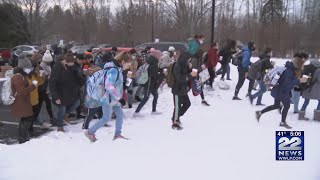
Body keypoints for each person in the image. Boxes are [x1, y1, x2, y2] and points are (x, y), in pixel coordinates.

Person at [255, 61, 308, 129]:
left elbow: (287, 81)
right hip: (282, 92)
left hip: (277, 90)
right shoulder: (289, 72)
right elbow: (286, 85)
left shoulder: (287, 69)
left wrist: (296, 81)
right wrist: (299, 81)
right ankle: (282, 122)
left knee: (276, 105)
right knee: (287, 105)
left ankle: (259, 113)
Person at [85, 55, 126, 141]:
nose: (128, 66)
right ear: (123, 61)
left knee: (119, 114)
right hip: (108, 98)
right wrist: (119, 98)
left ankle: (117, 134)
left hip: (113, 98)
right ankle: (90, 132)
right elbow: (108, 85)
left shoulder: (115, 69)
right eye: (128, 63)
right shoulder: (113, 70)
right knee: (106, 118)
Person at [49, 50, 85, 132]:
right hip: (60, 93)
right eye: (70, 62)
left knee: (77, 103)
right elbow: (52, 83)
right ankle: (60, 126)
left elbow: (73, 79)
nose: (71, 64)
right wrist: (56, 96)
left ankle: (65, 115)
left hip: (69, 92)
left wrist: (80, 77)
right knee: (61, 109)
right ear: (64, 61)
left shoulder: (70, 67)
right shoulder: (57, 68)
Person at [11, 53, 37, 143]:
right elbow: (22, 91)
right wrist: (33, 86)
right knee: (28, 118)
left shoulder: (21, 75)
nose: (29, 69)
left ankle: (23, 136)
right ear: (23, 67)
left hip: (23, 102)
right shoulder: (18, 77)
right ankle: (22, 137)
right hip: (21, 102)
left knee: (25, 118)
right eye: (28, 67)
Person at [171, 51, 197, 130]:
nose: (189, 60)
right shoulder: (177, 65)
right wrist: (190, 75)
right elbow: (179, 78)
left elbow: (188, 75)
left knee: (187, 104)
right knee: (177, 107)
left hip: (183, 89)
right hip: (177, 89)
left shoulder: (185, 65)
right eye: (189, 59)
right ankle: (175, 122)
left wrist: (190, 69)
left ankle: (176, 116)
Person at [133, 50, 162, 117]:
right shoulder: (154, 62)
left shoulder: (150, 61)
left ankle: (154, 110)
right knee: (146, 97)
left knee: (155, 95)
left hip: (150, 82)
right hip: (149, 82)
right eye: (160, 56)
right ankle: (136, 112)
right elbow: (153, 74)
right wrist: (158, 77)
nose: (160, 57)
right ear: (156, 55)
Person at [38, 50, 55, 124]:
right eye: (48, 61)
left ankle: (35, 116)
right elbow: (41, 78)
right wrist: (48, 77)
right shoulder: (41, 67)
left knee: (40, 103)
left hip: (46, 87)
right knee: (47, 102)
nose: (49, 63)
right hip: (42, 87)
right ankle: (51, 117)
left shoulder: (48, 66)